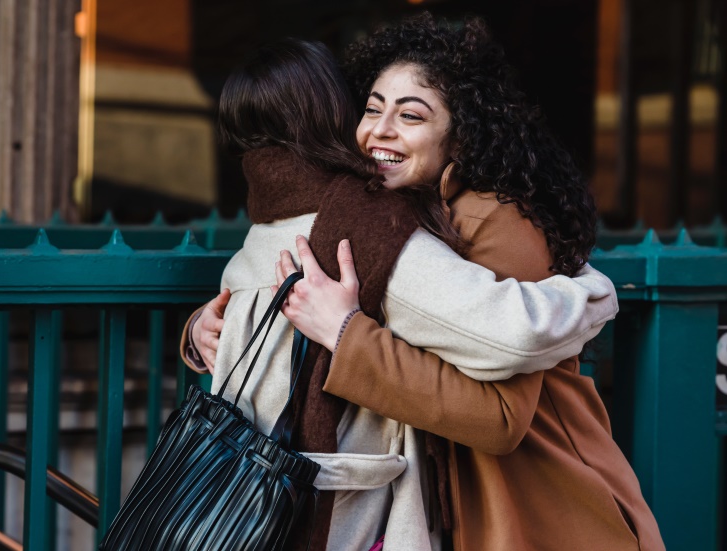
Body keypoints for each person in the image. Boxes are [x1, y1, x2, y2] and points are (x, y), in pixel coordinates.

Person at [183, 36, 619, 551]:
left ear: (459, 139)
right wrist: (205, 331)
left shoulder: (494, 218)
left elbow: (500, 417)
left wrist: (346, 336)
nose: (379, 132)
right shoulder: (386, 216)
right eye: (371, 109)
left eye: (411, 116)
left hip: (528, 501)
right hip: (448, 497)